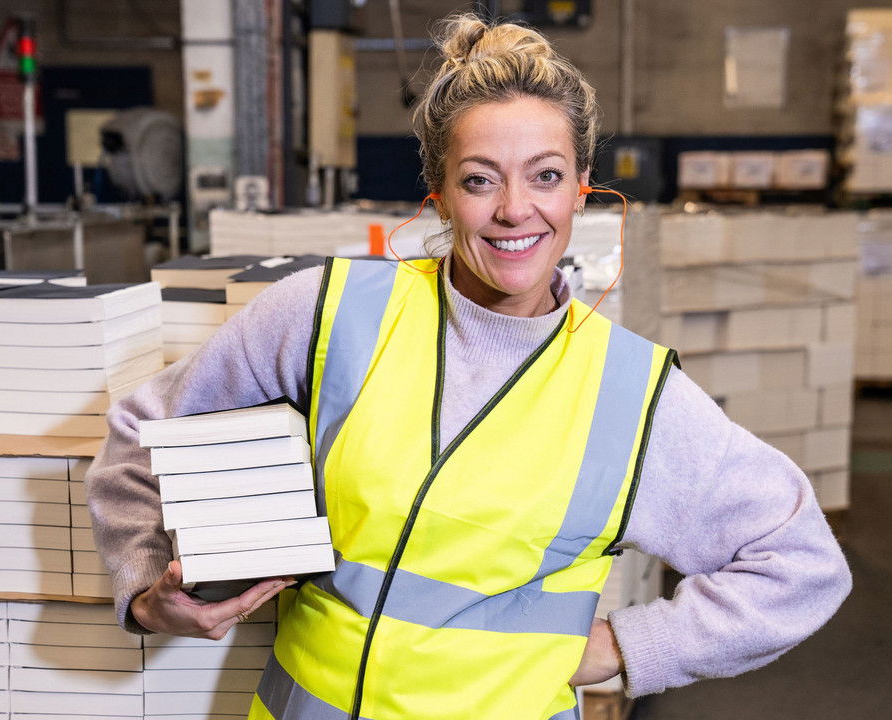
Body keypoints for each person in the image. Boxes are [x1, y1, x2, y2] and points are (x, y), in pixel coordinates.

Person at [86, 13, 851, 720]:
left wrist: (624, 648)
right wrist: (146, 588)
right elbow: (140, 431)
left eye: (546, 176)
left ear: (582, 187)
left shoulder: (632, 395)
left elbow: (803, 564)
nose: (515, 209)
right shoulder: (330, 314)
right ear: (442, 195)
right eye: (481, 178)